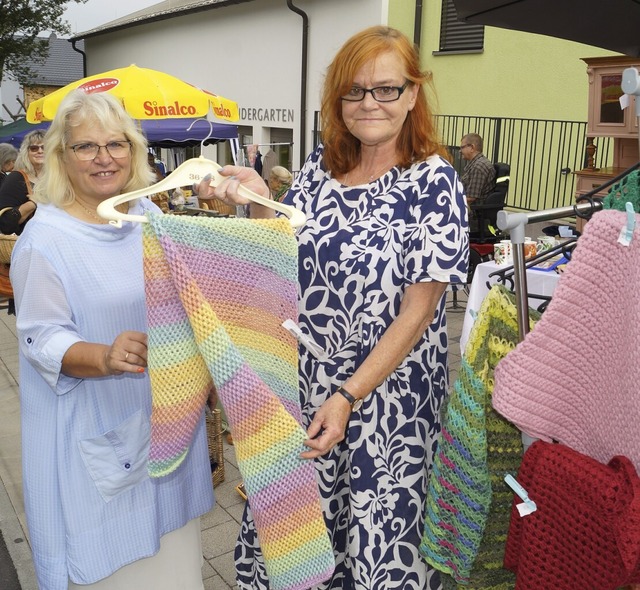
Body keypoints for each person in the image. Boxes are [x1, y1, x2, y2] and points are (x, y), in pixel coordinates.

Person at [198, 25, 468, 590]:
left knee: (373, 546)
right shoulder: (320, 169)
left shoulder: (435, 181)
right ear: (337, 99)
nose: (370, 103)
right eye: (355, 90)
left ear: (414, 94)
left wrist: (349, 396)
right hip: (308, 387)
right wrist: (255, 198)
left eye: (387, 89)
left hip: (387, 404)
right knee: (299, 544)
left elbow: (418, 314)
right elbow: (281, 253)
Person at [11, 90, 214, 590]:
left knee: (176, 566)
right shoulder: (46, 240)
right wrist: (104, 356)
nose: (105, 158)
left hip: (165, 432)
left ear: (134, 151)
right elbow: (42, 339)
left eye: (116, 144)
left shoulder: (147, 215)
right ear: (61, 157)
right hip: (99, 443)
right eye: (86, 147)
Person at [0, 130, 45, 235]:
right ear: (26, 152)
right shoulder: (16, 178)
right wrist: (33, 202)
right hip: (30, 243)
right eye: (34, 148)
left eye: (45, 147)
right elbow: (5, 224)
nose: (40, 151)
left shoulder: (58, 178)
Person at [459, 132, 496, 205]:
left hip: (473, 212)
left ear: (472, 147)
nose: (460, 151)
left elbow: (470, 198)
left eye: (462, 147)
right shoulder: (475, 164)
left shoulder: (478, 167)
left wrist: (451, 202)